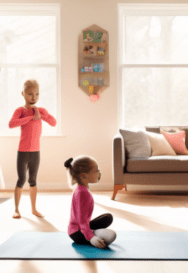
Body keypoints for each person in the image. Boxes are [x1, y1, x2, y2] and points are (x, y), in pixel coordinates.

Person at [9, 79, 57, 219]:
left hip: (36, 152)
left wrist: (39, 116)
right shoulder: (21, 111)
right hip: (23, 152)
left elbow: (53, 122)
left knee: (33, 180)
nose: (33, 97)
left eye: (37, 94)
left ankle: (34, 209)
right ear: (23, 94)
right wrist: (31, 117)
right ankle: (16, 209)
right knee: (21, 179)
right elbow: (11, 124)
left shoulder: (40, 110)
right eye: (30, 94)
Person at [65, 156, 116, 249]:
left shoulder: (81, 189)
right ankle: (90, 234)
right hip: (77, 233)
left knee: (108, 217)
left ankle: (90, 231)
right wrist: (91, 238)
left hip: (78, 228)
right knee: (112, 235)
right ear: (84, 176)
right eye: (96, 171)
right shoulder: (82, 193)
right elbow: (81, 220)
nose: (99, 173)